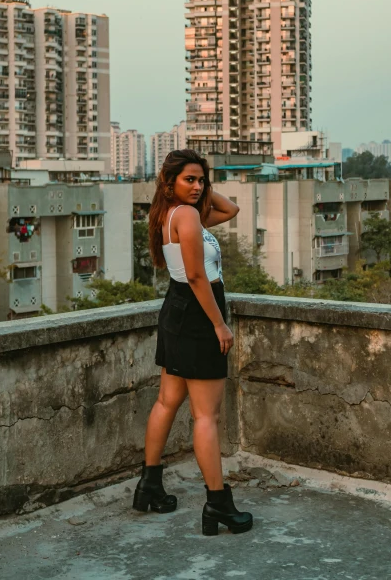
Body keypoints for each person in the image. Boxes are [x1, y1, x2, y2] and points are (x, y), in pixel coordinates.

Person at [133, 149, 253, 536]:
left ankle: (149, 486)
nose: (198, 186)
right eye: (189, 179)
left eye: (201, 179)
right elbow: (199, 276)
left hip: (177, 309)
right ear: (168, 182)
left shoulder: (174, 213)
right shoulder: (184, 214)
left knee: (168, 402)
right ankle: (218, 504)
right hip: (199, 311)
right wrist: (220, 325)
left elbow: (231, 209)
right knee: (206, 416)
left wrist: (200, 189)